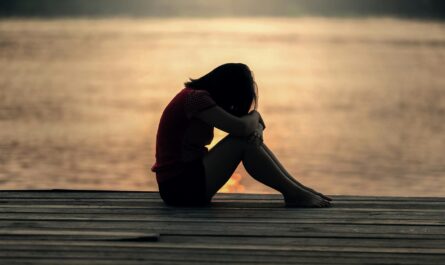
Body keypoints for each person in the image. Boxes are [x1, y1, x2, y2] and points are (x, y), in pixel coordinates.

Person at [151, 63, 332, 207]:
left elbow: (249, 127)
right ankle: (294, 193)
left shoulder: (196, 97)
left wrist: (257, 128)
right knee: (241, 142)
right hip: (179, 187)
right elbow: (242, 127)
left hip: (185, 183)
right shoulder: (196, 99)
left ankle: (297, 190)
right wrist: (256, 116)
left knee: (245, 139)